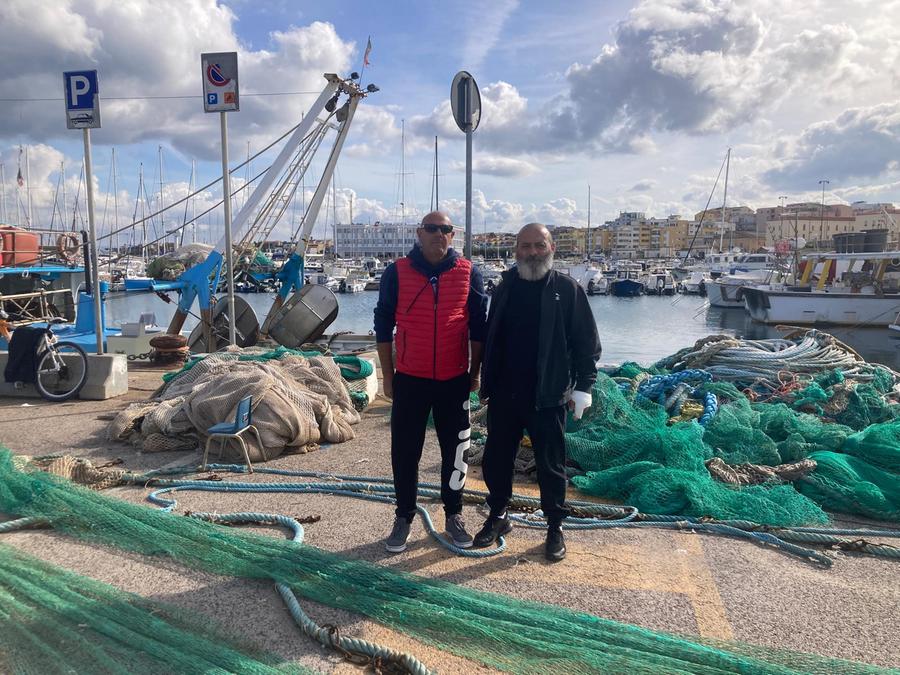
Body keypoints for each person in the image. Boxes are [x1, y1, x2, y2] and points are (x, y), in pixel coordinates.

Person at [473, 223, 601, 561]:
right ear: (516, 251)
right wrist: (485, 383)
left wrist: (584, 387)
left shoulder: (567, 290)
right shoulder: (504, 288)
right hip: (504, 393)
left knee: (550, 464)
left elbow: (586, 344)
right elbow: (491, 337)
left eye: (538, 246)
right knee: (497, 460)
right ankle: (498, 515)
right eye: (526, 246)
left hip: (548, 395)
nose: (532, 252)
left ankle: (555, 524)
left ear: (551, 248)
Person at [373, 211, 488, 553]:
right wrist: (388, 376)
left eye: (446, 229)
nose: (439, 234)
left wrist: (475, 373)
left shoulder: (469, 273)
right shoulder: (397, 272)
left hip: (454, 380)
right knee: (405, 452)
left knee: (456, 451)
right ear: (419, 233)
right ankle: (404, 515)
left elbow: (479, 329)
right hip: (411, 379)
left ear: (453, 236)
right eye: (432, 229)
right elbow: (383, 326)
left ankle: (454, 514)